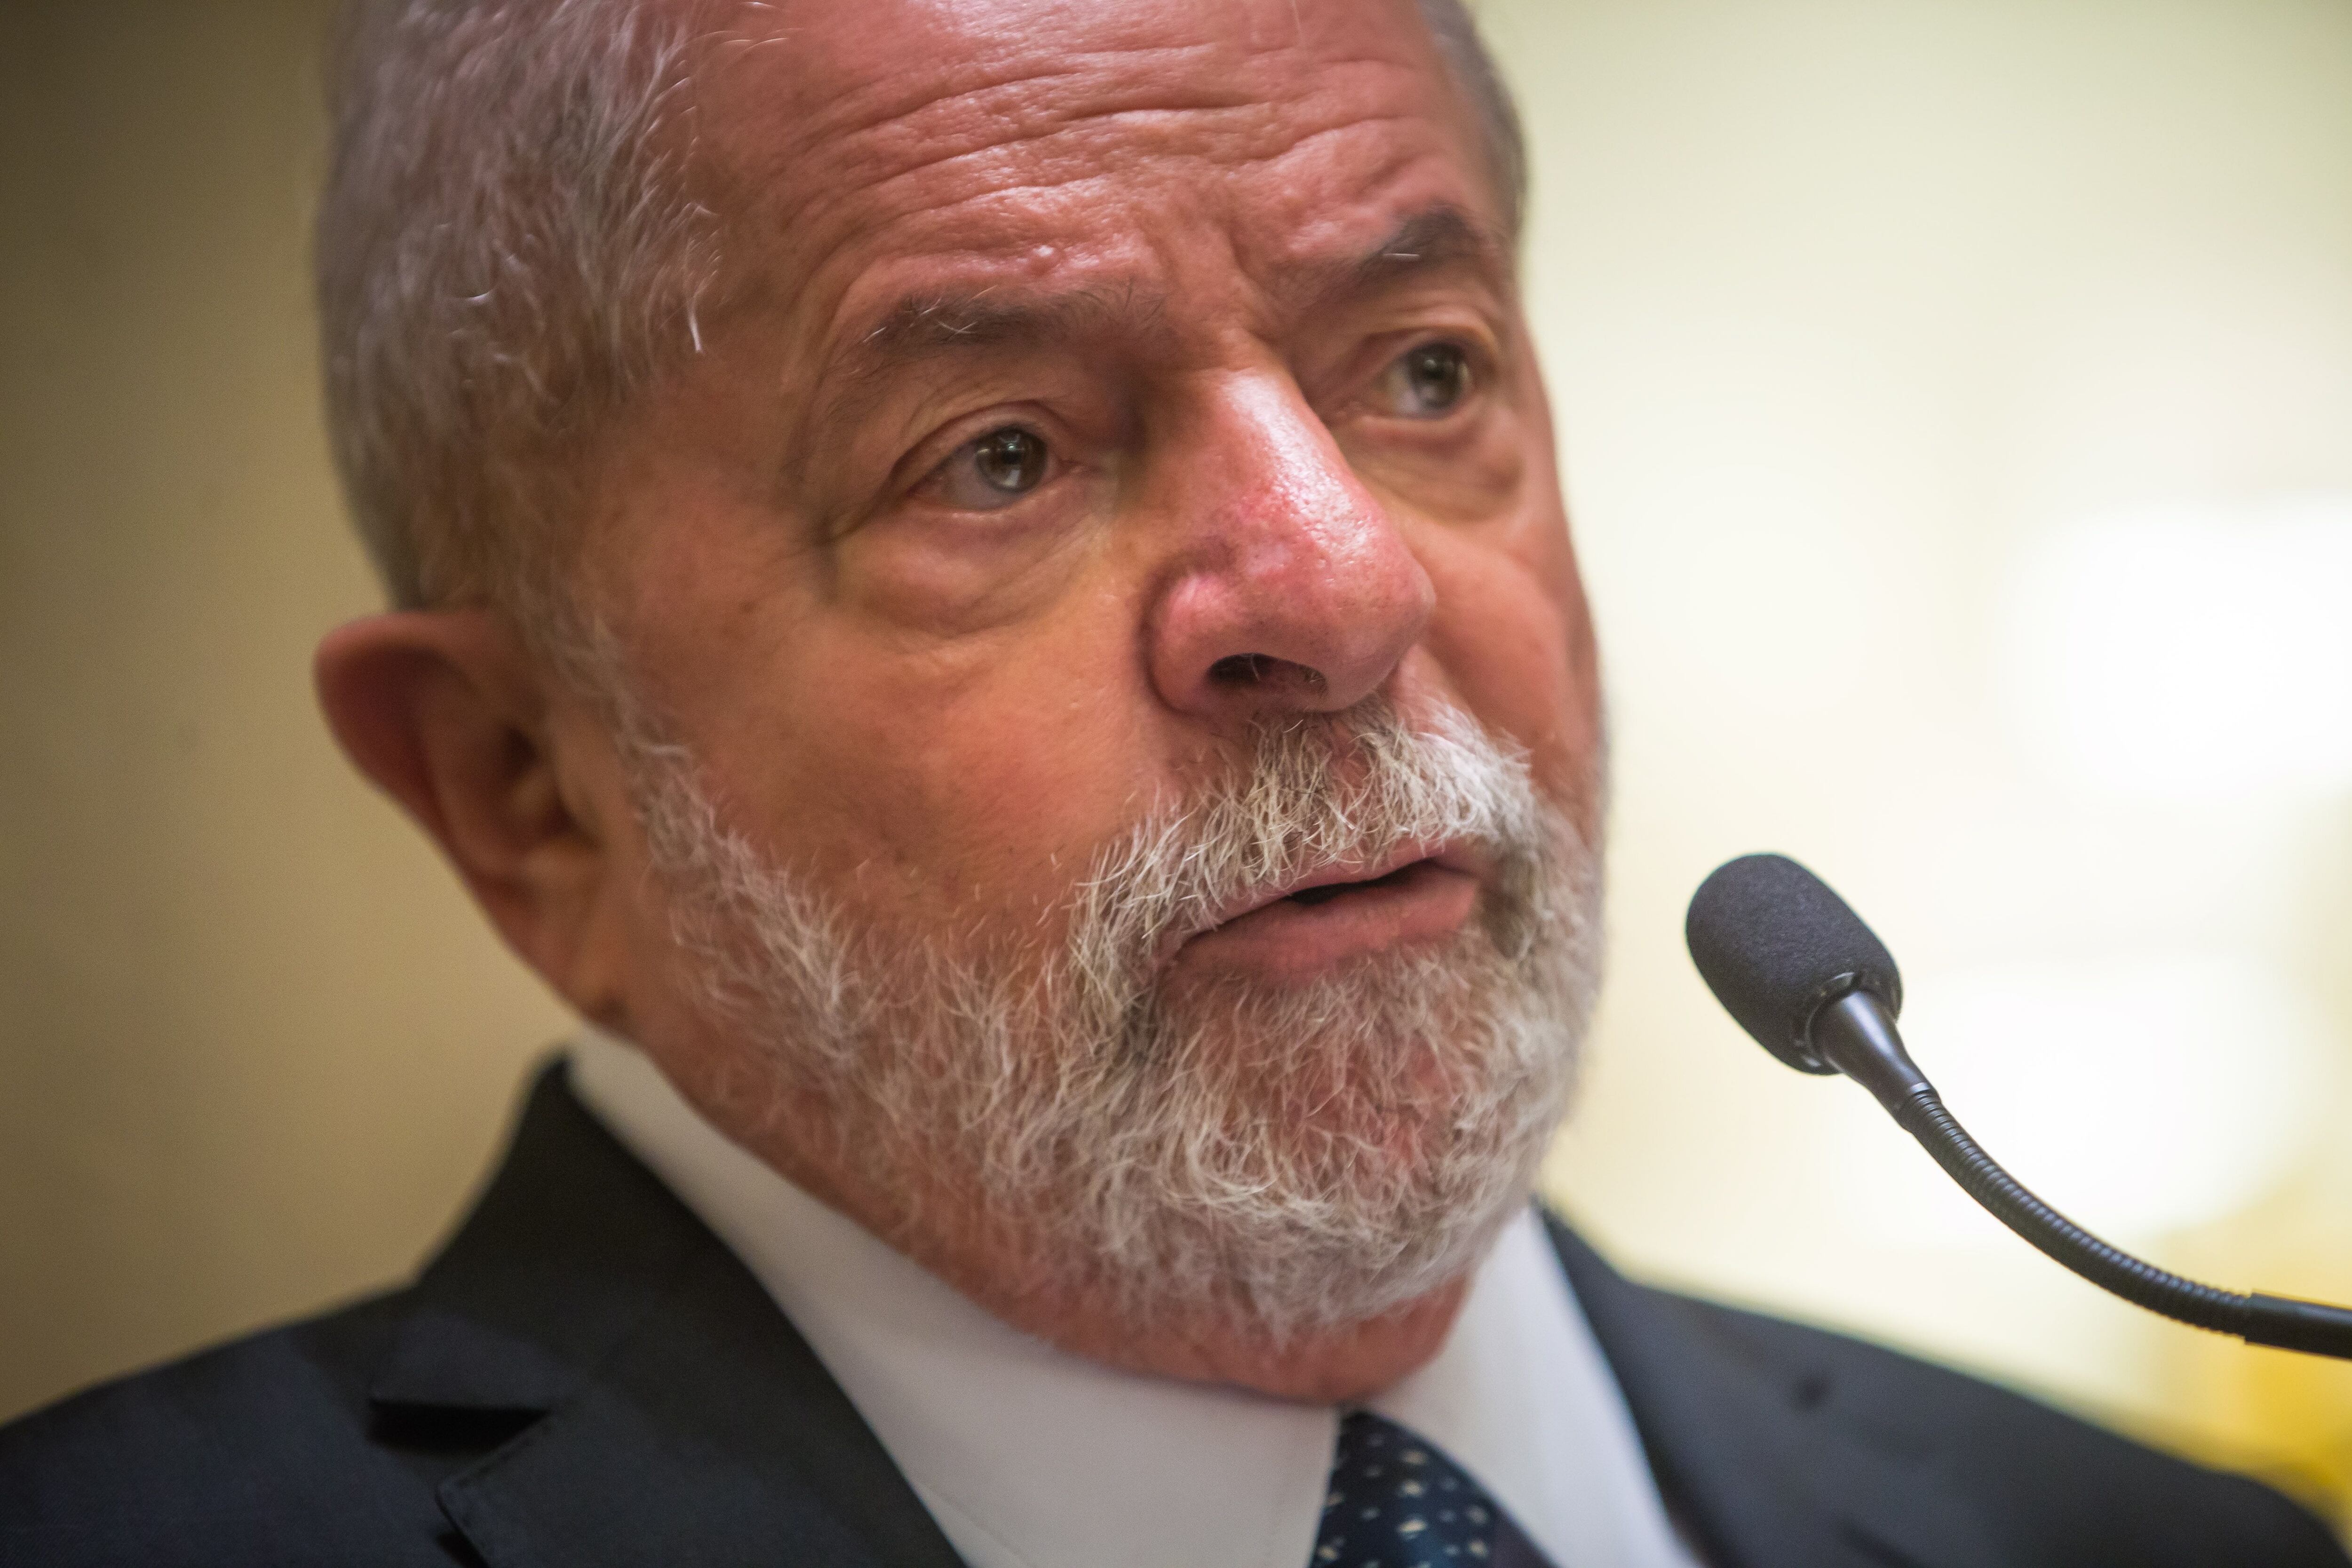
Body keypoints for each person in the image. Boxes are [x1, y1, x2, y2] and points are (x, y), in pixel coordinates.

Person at [0, 0, 2340, 1563]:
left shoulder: (2156, 1540)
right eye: (995, 453)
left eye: (1418, 372)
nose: (1336, 589)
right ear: (527, 790)